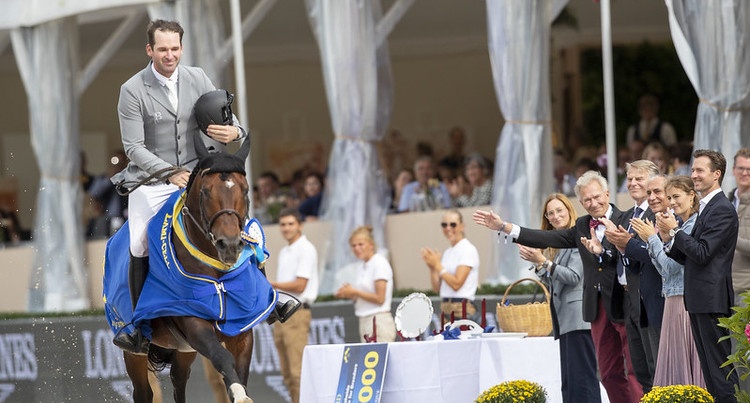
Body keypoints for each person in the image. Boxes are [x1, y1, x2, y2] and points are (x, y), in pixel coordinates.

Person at [110, 19, 247, 353]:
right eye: (162, 49)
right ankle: (138, 324)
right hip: (151, 180)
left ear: (181, 48)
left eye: (174, 49)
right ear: (150, 50)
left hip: (197, 175)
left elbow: (222, 116)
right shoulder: (132, 90)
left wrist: (236, 131)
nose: (169, 55)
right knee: (140, 241)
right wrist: (169, 173)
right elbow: (133, 148)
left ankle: (264, 302)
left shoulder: (197, 77)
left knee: (240, 221)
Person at [473, 170, 644, 403]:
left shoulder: (627, 218)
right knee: (608, 374)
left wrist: (604, 251)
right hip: (596, 309)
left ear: (607, 193)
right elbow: (545, 238)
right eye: (587, 200)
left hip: (625, 305)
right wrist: (504, 226)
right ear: (581, 203)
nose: (593, 203)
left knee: (635, 371)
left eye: (596, 197)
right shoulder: (582, 226)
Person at [657, 149, 739, 402]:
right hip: (699, 299)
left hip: (711, 300)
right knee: (710, 371)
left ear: (716, 175)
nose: (694, 175)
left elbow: (702, 253)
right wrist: (669, 238)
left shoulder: (722, 209)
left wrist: (675, 231)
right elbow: (689, 255)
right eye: (693, 170)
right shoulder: (707, 208)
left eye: (699, 170)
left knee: (720, 371)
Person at [516, 193, 601, 403]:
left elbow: (573, 277)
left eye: (559, 210)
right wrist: (540, 264)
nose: (555, 216)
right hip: (565, 322)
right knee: (570, 382)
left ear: (569, 210)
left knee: (582, 381)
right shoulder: (559, 246)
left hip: (579, 320)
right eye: (550, 213)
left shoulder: (579, 237)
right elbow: (556, 283)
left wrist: (544, 262)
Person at [630, 175, 705, 387]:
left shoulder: (691, 225)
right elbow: (664, 269)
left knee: (684, 369)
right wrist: (659, 240)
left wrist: (651, 239)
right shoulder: (681, 224)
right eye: (670, 197)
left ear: (692, 196)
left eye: (676, 196)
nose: (672, 202)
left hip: (683, 302)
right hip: (672, 299)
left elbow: (673, 267)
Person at [600, 160, 664, 393]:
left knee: (656, 366)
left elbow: (654, 254)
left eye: (640, 178)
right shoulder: (627, 216)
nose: (633, 183)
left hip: (650, 299)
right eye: (630, 178)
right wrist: (604, 250)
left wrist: (626, 245)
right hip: (629, 299)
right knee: (640, 368)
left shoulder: (657, 211)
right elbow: (619, 253)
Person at [270, 208, 319, 403]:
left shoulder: (306, 248)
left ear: (300, 225)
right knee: (287, 373)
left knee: (297, 371)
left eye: (291, 224)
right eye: (283, 224)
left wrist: (272, 284)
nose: (286, 228)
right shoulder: (284, 251)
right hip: (282, 312)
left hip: (297, 312)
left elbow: (300, 284)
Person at [335, 226, 396, 342]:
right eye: (353, 245)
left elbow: (380, 298)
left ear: (371, 245)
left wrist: (355, 292)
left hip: (378, 320)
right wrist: (349, 294)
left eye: (360, 244)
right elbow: (364, 295)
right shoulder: (362, 267)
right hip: (364, 320)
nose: (357, 248)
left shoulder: (379, 262)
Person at [420, 210, 480, 324]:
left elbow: (456, 284)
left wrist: (437, 266)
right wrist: (432, 268)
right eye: (444, 225)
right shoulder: (448, 252)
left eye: (453, 224)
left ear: (462, 226)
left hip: (461, 308)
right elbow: (438, 288)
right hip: (445, 307)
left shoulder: (467, 249)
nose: (448, 228)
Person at [727, 148, 750, 392]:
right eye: (741, 168)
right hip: (722, 287)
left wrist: (729, 237)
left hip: (746, 290)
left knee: (741, 355)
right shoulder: (727, 197)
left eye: (749, 169)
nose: (744, 173)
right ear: (733, 170)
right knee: (726, 356)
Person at [87, 149, 129, 238]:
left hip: (126, 216)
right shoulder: (104, 178)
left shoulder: (130, 178)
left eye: (122, 161)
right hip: (106, 217)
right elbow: (94, 193)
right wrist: (110, 176)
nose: (118, 165)